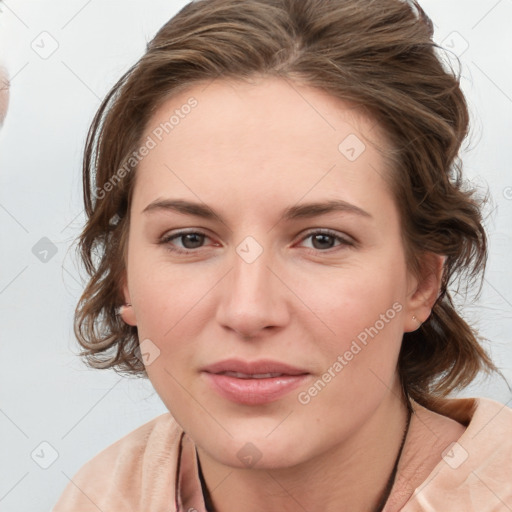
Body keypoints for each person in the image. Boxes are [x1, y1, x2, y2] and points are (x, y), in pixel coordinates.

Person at [52, 0, 512, 510]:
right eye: (190, 238)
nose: (249, 311)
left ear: (420, 280)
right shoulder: (98, 497)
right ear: (124, 277)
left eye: (322, 240)